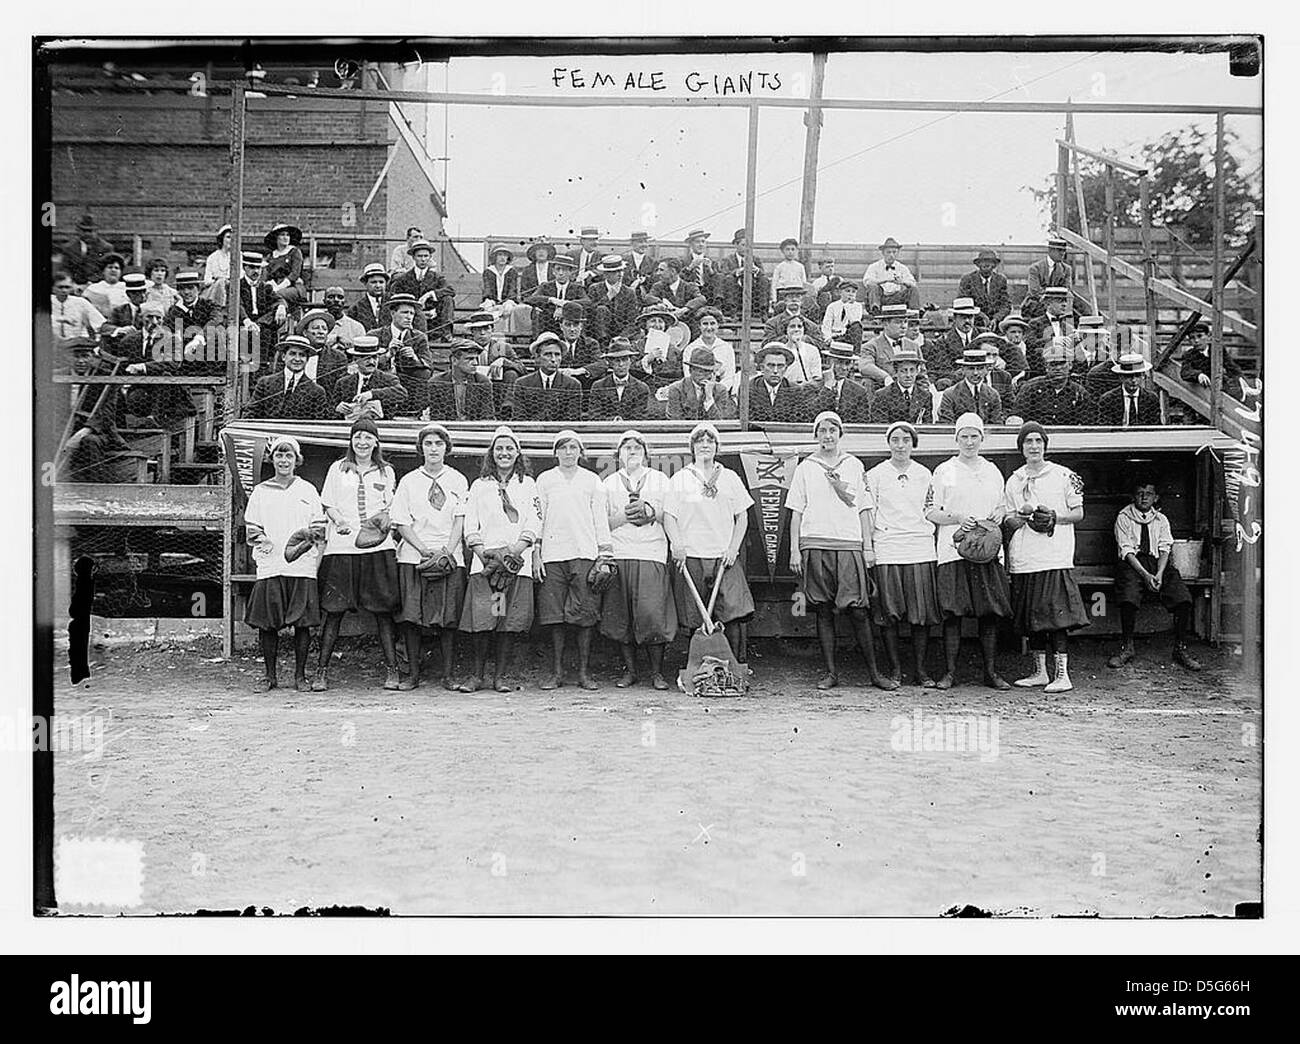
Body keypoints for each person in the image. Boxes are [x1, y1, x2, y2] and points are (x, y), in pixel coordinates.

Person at [788, 411, 898, 690]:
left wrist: (867, 546)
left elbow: (863, 508)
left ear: (840, 434)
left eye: (832, 430)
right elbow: (796, 512)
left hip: (848, 545)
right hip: (815, 542)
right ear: (816, 435)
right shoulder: (806, 467)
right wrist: (794, 550)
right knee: (823, 610)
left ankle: (875, 674)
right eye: (822, 430)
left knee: (858, 610)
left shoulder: (853, 464)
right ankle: (831, 674)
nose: (827, 436)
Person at [313, 417, 403, 691]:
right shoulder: (337, 469)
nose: (362, 442)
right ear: (351, 441)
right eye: (357, 437)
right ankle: (321, 672)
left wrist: (383, 522)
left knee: (383, 611)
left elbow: (391, 507)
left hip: (378, 547)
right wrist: (339, 521)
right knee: (334, 611)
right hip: (342, 547)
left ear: (376, 441)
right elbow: (328, 503)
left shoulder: (386, 471)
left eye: (368, 437)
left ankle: (392, 671)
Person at [926, 413, 1012, 690]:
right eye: (964, 436)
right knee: (954, 613)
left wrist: (999, 512)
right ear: (956, 439)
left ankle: (990, 672)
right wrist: (957, 517)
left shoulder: (992, 470)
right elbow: (931, 512)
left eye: (974, 436)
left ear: (982, 438)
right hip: (954, 550)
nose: (969, 441)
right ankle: (950, 673)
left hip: (987, 550)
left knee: (989, 614)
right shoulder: (944, 470)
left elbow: (1002, 505)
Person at [1003, 421, 1089, 692]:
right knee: (1032, 618)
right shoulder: (1014, 479)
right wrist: (1021, 517)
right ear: (1021, 447)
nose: (1033, 446)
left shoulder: (1064, 475)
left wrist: (1054, 516)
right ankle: (1040, 672)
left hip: (1054, 556)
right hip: (1025, 556)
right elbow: (1008, 519)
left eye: (1038, 441)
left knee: (1056, 617)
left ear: (1045, 445)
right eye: (1028, 442)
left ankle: (1062, 675)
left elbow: (1078, 513)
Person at [458, 426, 542, 693]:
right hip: (486, 565)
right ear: (492, 454)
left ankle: (501, 676)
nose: (504, 453)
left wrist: (514, 552)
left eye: (509, 448)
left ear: (517, 453)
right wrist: (485, 555)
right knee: (486, 619)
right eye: (499, 449)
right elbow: (470, 524)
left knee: (506, 620)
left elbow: (534, 520)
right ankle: (477, 675)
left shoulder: (528, 484)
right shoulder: (480, 485)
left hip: (515, 564)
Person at [664, 422, 754, 666]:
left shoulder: (730, 477)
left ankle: (732, 668)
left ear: (717, 446)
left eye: (710, 441)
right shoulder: (681, 478)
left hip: (724, 556)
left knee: (732, 615)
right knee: (694, 618)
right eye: (700, 441)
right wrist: (677, 546)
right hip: (692, 556)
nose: (705, 445)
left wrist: (733, 548)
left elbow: (742, 515)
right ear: (692, 447)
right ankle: (699, 670)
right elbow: (669, 516)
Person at [391, 423, 469, 692]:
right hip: (414, 556)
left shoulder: (458, 479)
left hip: (449, 557)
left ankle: (447, 676)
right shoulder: (409, 481)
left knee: (447, 619)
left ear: (447, 447)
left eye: (438, 443)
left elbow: (461, 519)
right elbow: (400, 521)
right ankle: (413, 675)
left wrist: (447, 550)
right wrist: (423, 549)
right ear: (420, 448)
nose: (433, 448)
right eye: (428, 443)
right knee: (412, 618)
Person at [243, 434, 324, 693]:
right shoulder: (261, 491)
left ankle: (300, 677)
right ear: (272, 459)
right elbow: (252, 526)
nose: (284, 460)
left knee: (302, 623)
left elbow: (318, 527)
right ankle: (270, 676)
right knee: (268, 623)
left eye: (289, 455)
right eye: (279, 455)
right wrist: (263, 539)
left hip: (301, 565)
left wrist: (308, 548)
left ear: (297, 460)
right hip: (271, 565)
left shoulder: (307, 490)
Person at [864, 421, 942, 686]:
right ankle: (896, 670)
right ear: (888, 443)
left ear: (913, 444)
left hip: (920, 548)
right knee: (889, 615)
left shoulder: (925, 474)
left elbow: (932, 510)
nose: (900, 445)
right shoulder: (875, 475)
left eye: (906, 440)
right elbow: (869, 513)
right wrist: (871, 546)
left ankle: (920, 671)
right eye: (895, 440)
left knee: (920, 615)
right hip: (888, 548)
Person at [535, 430, 614, 690]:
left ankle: (583, 674)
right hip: (553, 555)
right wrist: (536, 551)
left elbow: (600, 520)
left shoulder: (592, 481)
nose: (568, 453)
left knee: (585, 615)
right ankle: (556, 673)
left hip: (585, 554)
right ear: (555, 452)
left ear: (581, 452)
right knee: (555, 616)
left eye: (573, 448)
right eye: (563, 448)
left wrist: (604, 554)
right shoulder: (545, 480)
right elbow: (538, 518)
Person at [600, 430, 677, 690]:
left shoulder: (659, 479)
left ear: (645, 453)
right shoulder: (608, 482)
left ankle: (656, 673)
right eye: (626, 448)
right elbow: (602, 523)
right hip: (621, 552)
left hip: (651, 552)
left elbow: (671, 514)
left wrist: (650, 512)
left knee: (652, 614)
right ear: (618, 454)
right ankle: (631, 672)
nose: (632, 451)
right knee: (623, 616)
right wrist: (626, 516)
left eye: (637, 447)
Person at [1107, 474, 1201, 672]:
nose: (1144, 498)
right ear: (1133, 496)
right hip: (1133, 563)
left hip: (1158, 563)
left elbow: (1165, 547)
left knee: (1183, 598)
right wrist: (1146, 575)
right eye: (1140, 494)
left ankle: (1180, 648)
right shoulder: (1123, 517)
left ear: (1155, 498)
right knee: (1128, 597)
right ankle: (1127, 647)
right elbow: (1126, 550)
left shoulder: (1161, 519)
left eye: (1148, 494)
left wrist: (1158, 574)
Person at [369, 292, 431, 416]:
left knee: (423, 374)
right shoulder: (375, 335)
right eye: (404, 312)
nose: (409, 317)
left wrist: (415, 359)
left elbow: (429, 367)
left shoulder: (419, 337)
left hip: (409, 386)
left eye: (412, 313)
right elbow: (364, 363)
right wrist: (387, 355)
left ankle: (413, 412)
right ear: (393, 313)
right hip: (382, 383)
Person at [1011, 338, 1095, 426]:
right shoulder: (1031, 388)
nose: (1058, 368)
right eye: (1053, 364)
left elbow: (1088, 423)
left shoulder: (1079, 392)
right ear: (1046, 367)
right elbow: (1017, 416)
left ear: (1070, 365)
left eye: (1062, 363)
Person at [247, 334, 328, 420]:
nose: (297, 359)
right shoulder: (265, 383)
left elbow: (317, 425)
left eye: (302, 355)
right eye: (292, 354)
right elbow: (250, 414)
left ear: (307, 359)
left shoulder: (316, 391)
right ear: (283, 357)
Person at [505, 332, 582, 422]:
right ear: (537, 357)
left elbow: (572, 419)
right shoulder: (522, 384)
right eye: (548, 354)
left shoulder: (572, 385)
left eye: (557, 355)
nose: (553, 360)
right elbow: (519, 418)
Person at [329, 336, 409, 420]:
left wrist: (371, 394)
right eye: (366, 358)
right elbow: (331, 410)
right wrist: (337, 409)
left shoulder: (388, 379)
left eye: (374, 357)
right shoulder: (343, 383)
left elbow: (402, 393)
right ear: (356, 359)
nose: (371, 362)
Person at [391, 238, 455, 338]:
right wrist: (418, 312)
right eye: (419, 256)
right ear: (413, 257)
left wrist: (430, 294)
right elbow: (394, 296)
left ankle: (447, 335)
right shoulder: (404, 278)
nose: (423, 259)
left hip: (434, 320)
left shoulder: (436, 277)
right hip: (412, 320)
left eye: (426, 256)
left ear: (430, 257)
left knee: (448, 299)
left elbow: (451, 290)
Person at [427, 340, 495, 421]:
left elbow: (487, 415)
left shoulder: (482, 382)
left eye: (476, 358)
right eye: (469, 359)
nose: (475, 363)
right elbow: (437, 416)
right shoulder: (436, 382)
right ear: (454, 360)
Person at [937, 347, 1006, 425]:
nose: (975, 373)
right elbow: (946, 424)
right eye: (971, 369)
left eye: (980, 368)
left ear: (986, 370)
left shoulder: (993, 394)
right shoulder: (950, 394)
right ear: (963, 370)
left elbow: (996, 423)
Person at [665, 346, 738, 420]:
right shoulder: (676, 389)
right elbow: (676, 421)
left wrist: (709, 398)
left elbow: (721, 422)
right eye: (700, 371)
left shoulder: (720, 390)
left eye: (708, 371)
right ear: (690, 370)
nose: (706, 375)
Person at [587, 338, 650, 421]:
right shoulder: (598, 386)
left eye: (624, 360)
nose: (621, 364)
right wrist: (613, 421)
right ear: (610, 362)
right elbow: (594, 416)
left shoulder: (641, 388)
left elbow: (641, 418)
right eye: (617, 361)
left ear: (630, 361)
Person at [748, 342, 812, 424]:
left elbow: (798, 421)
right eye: (771, 365)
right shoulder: (750, 388)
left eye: (780, 366)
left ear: (785, 369)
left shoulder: (795, 390)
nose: (775, 371)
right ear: (762, 368)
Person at [525, 254, 587, 337]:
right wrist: (552, 300)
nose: (561, 273)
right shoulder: (545, 286)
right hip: (548, 323)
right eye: (558, 269)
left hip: (570, 324)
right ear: (553, 271)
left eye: (564, 270)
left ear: (570, 272)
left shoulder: (577, 287)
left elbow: (587, 302)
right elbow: (530, 299)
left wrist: (564, 306)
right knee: (537, 311)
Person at [869, 346, 933, 424]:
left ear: (917, 371)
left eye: (912, 370)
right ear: (896, 372)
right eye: (903, 371)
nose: (908, 375)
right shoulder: (882, 395)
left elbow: (927, 425)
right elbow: (880, 425)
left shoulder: (925, 396)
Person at [586, 254, 641, 344]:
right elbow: (590, 311)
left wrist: (621, 338)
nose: (620, 274)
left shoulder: (629, 292)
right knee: (601, 309)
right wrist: (608, 297)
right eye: (615, 271)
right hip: (599, 334)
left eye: (621, 270)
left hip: (622, 334)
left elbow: (633, 320)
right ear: (606, 274)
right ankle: (604, 345)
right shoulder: (595, 288)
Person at [644, 257, 707, 335]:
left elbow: (701, 299)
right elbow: (648, 297)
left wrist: (684, 309)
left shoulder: (689, 286)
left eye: (661, 270)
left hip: (689, 328)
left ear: (672, 271)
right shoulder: (658, 286)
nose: (658, 273)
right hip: (666, 328)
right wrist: (660, 303)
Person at [930, 296, 982, 390]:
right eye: (963, 317)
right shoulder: (943, 342)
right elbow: (943, 370)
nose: (967, 321)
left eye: (970, 317)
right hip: (955, 386)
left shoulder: (982, 336)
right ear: (954, 318)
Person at [681, 307, 737, 392]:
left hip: (720, 391)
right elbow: (688, 375)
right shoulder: (691, 348)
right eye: (705, 324)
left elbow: (729, 376)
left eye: (712, 323)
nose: (709, 327)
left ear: (718, 325)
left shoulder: (726, 348)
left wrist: (718, 391)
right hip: (696, 391)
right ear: (699, 326)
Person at [1096, 354, 1161, 426]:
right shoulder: (1108, 399)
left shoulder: (1151, 399)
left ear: (1143, 376)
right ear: (1121, 377)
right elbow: (1105, 429)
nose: (1134, 380)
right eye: (1129, 376)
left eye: (1137, 375)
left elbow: (1155, 427)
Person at [716, 228, 768, 318]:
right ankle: (733, 312)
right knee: (729, 279)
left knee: (764, 280)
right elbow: (723, 274)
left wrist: (757, 271)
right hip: (735, 292)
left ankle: (763, 311)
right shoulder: (728, 260)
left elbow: (763, 274)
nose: (746, 248)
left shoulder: (755, 259)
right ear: (736, 245)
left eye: (749, 245)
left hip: (753, 292)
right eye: (743, 245)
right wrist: (737, 272)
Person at [633, 303, 684, 395]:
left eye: (660, 321)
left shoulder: (675, 351)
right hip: (642, 392)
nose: (657, 325)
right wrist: (647, 360)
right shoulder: (636, 346)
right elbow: (629, 370)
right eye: (653, 321)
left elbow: (680, 374)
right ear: (645, 325)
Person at [294, 307, 351, 390]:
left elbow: (340, 389)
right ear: (305, 332)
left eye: (324, 329)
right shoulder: (294, 354)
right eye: (316, 328)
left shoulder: (338, 357)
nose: (321, 332)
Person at [816, 342, 873, 423]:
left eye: (847, 363)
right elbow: (814, 414)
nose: (844, 368)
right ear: (829, 361)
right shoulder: (814, 386)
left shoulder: (859, 391)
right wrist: (828, 387)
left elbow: (863, 423)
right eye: (839, 362)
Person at [554, 300, 607, 385]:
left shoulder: (590, 344)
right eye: (568, 324)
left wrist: (577, 371)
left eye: (576, 325)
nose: (572, 329)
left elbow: (601, 364)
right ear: (561, 326)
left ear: (581, 326)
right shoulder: (555, 344)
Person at [863, 237, 921, 313]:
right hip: (880, 298)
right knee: (873, 286)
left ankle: (914, 314)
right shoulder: (874, 267)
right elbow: (867, 282)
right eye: (888, 252)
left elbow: (913, 283)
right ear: (883, 253)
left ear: (898, 253)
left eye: (894, 252)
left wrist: (902, 282)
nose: (891, 255)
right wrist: (885, 280)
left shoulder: (902, 268)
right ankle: (876, 312)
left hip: (896, 298)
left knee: (913, 289)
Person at [958, 249, 1011, 330]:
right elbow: (964, 303)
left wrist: (996, 319)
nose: (986, 264)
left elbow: (1006, 305)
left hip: (996, 325)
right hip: (973, 322)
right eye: (983, 262)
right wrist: (981, 315)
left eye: (990, 262)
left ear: (994, 265)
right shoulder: (968, 279)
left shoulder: (1000, 280)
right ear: (978, 264)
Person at [1024, 236, 1074, 318]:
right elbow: (1034, 291)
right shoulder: (1035, 268)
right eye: (1059, 250)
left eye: (1064, 250)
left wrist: (1057, 302)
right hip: (1037, 302)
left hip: (1058, 302)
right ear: (1050, 250)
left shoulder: (1066, 269)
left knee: (1078, 311)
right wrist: (1050, 301)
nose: (1062, 253)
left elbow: (1067, 289)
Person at [263, 222, 307, 314]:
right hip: (275, 287)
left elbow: (294, 274)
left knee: (276, 295)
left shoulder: (294, 252)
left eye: (287, 235)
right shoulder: (271, 256)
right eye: (282, 235)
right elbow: (267, 275)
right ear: (276, 238)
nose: (286, 237)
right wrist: (271, 285)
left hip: (293, 287)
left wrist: (279, 287)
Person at [51, 271, 106, 341]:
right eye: (60, 287)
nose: (64, 290)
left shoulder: (81, 302)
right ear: (53, 288)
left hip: (77, 344)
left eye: (67, 287)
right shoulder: (44, 303)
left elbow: (100, 323)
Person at [481, 242, 521, 326]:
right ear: (495, 257)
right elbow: (487, 287)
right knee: (488, 308)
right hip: (493, 301)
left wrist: (508, 300)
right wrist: (490, 299)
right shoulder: (488, 271)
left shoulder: (511, 271)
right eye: (500, 254)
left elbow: (512, 288)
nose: (502, 258)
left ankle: (508, 334)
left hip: (508, 301)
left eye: (505, 255)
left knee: (508, 309)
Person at [779, 314, 824, 388]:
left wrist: (806, 385)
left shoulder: (812, 350)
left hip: (808, 391)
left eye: (799, 326)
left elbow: (817, 377)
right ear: (785, 330)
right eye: (792, 326)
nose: (796, 329)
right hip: (786, 391)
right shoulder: (781, 350)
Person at [318, 286, 367, 351]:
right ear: (324, 301)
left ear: (345, 301)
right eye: (331, 297)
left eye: (340, 297)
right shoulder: (316, 326)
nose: (336, 300)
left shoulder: (357, 328)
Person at [821, 280, 865, 349]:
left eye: (853, 292)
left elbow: (854, 322)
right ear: (840, 292)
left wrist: (848, 306)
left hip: (848, 336)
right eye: (847, 291)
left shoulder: (857, 306)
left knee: (857, 326)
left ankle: (856, 354)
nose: (851, 294)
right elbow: (826, 325)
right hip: (833, 336)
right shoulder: (832, 306)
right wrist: (828, 338)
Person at [348, 262, 393, 331]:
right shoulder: (355, 309)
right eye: (373, 282)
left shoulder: (393, 303)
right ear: (365, 283)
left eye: (381, 282)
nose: (378, 286)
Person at [82, 252, 129, 316]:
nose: (113, 270)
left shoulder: (126, 287)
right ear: (103, 271)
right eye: (110, 267)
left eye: (116, 268)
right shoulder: (94, 289)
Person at [681, 229, 716, 303]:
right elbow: (679, 280)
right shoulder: (683, 261)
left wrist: (710, 270)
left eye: (703, 241)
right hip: (690, 295)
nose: (701, 244)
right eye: (697, 242)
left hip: (708, 294)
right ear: (691, 244)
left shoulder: (712, 262)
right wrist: (689, 268)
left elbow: (717, 282)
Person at [622, 230, 657, 301]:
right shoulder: (623, 260)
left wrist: (645, 280)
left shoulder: (653, 262)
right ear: (632, 244)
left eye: (645, 242)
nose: (644, 244)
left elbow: (655, 282)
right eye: (640, 242)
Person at [770, 238, 807, 305]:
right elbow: (774, 285)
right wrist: (774, 299)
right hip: (783, 293)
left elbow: (804, 282)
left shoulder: (800, 266)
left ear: (797, 251)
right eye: (787, 249)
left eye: (793, 249)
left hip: (797, 292)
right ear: (783, 251)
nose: (790, 252)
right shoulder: (779, 267)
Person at [204, 225, 233, 290]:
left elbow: (241, 277)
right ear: (221, 239)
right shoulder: (212, 258)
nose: (231, 240)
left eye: (233, 238)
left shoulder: (239, 257)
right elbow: (207, 281)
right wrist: (220, 282)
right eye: (228, 237)